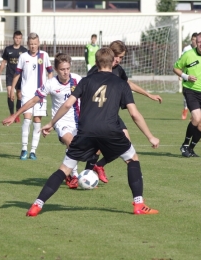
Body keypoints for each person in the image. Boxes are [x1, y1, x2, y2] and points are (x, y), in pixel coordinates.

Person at [25, 47, 160, 217]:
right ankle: (139, 205)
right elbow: (134, 113)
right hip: (110, 130)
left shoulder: (85, 81)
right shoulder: (121, 84)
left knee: (64, 169)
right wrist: (150, 136)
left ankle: (37, 205)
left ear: (96, 63)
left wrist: (51, 123)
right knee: (132, 159)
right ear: (113, 62)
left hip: (85, 131)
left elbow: (67, 105)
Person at [2, 53, 107, 188]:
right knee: (72, 143)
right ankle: (73, 175)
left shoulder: (77, 79)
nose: (66, 72)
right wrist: (14, 114)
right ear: (57, 70)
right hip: (61, 122)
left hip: (80, 121)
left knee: (97, 148)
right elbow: (34, 100)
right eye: (63, 69)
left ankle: (87, 173)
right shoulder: (51, 84)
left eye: (68, 68)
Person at [87, 40, 162, 177]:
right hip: (97, 114)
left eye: (122, 57)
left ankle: (98, 166)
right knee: (97, 147)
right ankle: (87, 172)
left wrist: (148, 95)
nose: (119, 60)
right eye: (119, 57)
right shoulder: (95, 71)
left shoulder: (118, 70)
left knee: (125, 143)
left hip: (111, 114)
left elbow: (127, 84)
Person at [10, 32, 53, 160]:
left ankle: (33, 151)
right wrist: (12, 88)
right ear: (27, 44)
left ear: (38, 43)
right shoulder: (23, 56)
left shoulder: (44, 55)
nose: (33, 46)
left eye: (35, 44)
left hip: (40, 93)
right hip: (27, 93)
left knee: (37, 121)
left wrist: (49, 86)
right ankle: (24, 149)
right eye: (31, 44)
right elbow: (17, 74)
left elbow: (50, 72)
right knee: (27, 120)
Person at [0, 31, 27, 122]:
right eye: (16, 38)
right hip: (10, 75)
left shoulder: (24, 51)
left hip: (20, 76)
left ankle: (17, 115)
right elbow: (3, 62)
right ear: (13, 38)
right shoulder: (8, 49)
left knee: (19, 95)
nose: (18, 40)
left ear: (21, 39)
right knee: (10, 93)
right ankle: (11, 114)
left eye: (19, 38)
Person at [181, 32, 198, 120]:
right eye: (193, 40)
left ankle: (193, 112)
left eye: (196, 40)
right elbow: (181, 61)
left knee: (196, 94)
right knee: (186, 94)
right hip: (187, 75)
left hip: (197, 75)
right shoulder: (186, 49)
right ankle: (185, 109)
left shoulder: (200, 50)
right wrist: (180, 72)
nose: (194, 41)